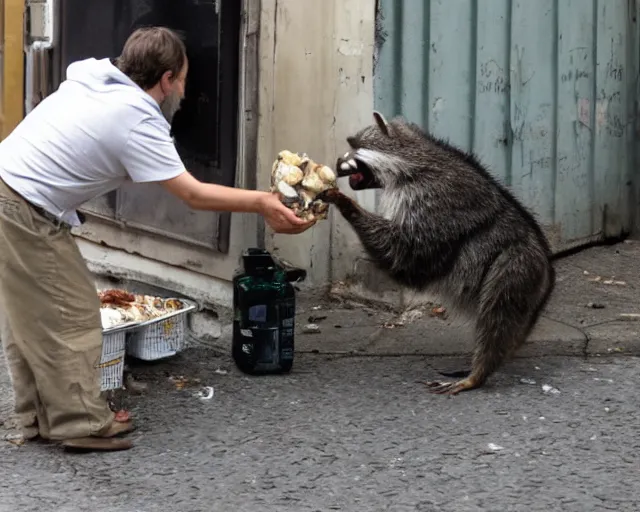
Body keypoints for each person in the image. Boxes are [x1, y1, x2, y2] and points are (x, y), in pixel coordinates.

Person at [0, 27, 314, 452]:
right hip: (23, 209)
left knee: (31, 317)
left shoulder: (93, 80)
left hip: (10, 191)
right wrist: (262, 201)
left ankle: (38, 417)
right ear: (166, 80)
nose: (182, 88)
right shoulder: (137, 117)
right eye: (182, 79)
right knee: (71, 314)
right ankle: (79, 423)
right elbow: (192, 193)